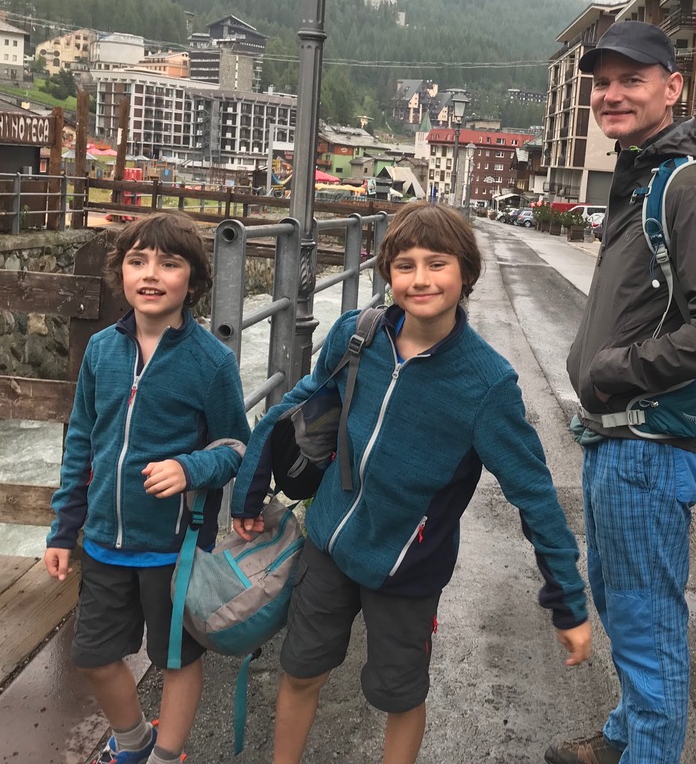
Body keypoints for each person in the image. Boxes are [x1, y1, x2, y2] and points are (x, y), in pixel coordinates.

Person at [231, 201, 592, 764]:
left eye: (437, 263)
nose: (420, 279)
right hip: (327, 540)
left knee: (398, 695)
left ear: (466, 273)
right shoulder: (359, 334)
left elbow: (534, 493)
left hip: (407, 566)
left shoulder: (486, 384)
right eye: (405, 265)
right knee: (301, 670)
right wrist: (248, 491)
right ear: (388, 274)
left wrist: (566, 601)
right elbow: (295, 405)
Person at [548, 21, 696, 764]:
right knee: (620, 601)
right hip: (619, 436)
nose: (612, 94)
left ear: (673, 87)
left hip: (648, 441)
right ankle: (623, 737)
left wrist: (614, 372)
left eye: (632, 80)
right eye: (602, 82)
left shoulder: (687, 182)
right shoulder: (643, 174)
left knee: (647, 623)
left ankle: (646, 752)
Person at [44, 212, 251, 764]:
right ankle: (134, 739)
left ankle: (167, 756)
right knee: (93, 655)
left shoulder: (211, 362)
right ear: (122, 274)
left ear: (195, 281)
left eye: (169, 262)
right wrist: (64, 528)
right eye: (137, 261)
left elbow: (236, 448)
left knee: (176, 658)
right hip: (103, 542)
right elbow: (81, 443)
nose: (151, 273)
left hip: (174, 548)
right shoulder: (100, 352)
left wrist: (190, 468)